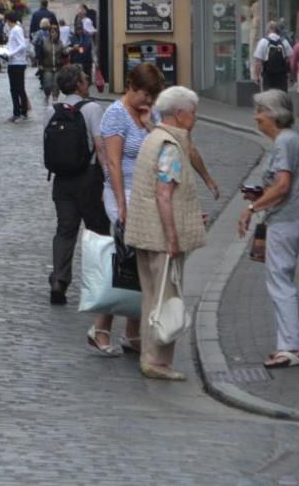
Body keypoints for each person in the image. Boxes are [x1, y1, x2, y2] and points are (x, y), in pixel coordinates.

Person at [124, 86, 207, 381]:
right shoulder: (170, 145)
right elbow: (163, 194)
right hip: (160, 238)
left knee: (151, 297)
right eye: (193, 113)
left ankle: (150, 357)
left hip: (144, 233)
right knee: (166, 299)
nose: (195, 118)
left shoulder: (152, 137)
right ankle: (158, 361)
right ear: (180, 114)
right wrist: (172, 236)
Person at [237, 89, 299, 369]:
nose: (256, 117)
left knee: (280, 280)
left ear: (272, 114)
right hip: (290, 215)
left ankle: (292, 346)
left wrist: (252, 208)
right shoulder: (289, 140)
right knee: (281, 279)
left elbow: (282, 187)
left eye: (259, 111)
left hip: (287, 217)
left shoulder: (285, 142)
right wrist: (260, 196)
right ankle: (288, 343)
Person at [93, 63, 163, 356]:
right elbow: (112, 163)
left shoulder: (150, 114)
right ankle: (100, 328)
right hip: (123, 193)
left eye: (153, 96)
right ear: (131, 87)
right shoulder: (115, 115)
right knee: (128, 262)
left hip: (147, 194)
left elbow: (162, 146)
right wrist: (122, 204)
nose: (149, 101)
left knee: (140, 262)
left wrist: (150, 124)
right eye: (145, 94)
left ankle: (132, 332)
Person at [45, 65, 108, 307]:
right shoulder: (92, 108)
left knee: (65, 230)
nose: (87, 82)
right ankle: (99, 284)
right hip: (89, 177)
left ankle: (59, 280)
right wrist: (108, 180)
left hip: (61, 179)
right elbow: (100, 145)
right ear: (79, 85)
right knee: (98, 231)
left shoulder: (51, 110)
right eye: (84, 79)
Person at [2, 13, 31, 122]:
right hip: (12, 63)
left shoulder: (17, 30)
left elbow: (22, 45)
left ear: (9, 20)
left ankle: (23, 113)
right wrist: (5, 48)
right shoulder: (13, 30)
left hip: (18, 63)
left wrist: (11, 53)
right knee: (13, 89)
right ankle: (16, 112)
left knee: (19, 88)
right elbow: (13, 45)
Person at [254, 21, 294, 93]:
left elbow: (258, 61)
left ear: (268, 30)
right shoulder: (284, 41)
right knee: (282, 97)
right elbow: (291, 60)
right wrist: (291, 75)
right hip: (282, 75)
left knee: (268, 97)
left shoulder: (263, 42)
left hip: (268, 75)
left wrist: (257, 76)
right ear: (278, 30)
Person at [33, 18, 63, 103]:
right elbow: (40, 54)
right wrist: (40, 64)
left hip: (58, 67)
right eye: (52, 32)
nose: (54, 34)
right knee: (47, 85)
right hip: (47, 67)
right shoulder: (45, 42)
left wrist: (66, 52)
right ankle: (47, 95)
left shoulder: (60, 42)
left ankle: (55, 98)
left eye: (55, 32)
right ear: (49, 33)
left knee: (56, 84)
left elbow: (64, 53)